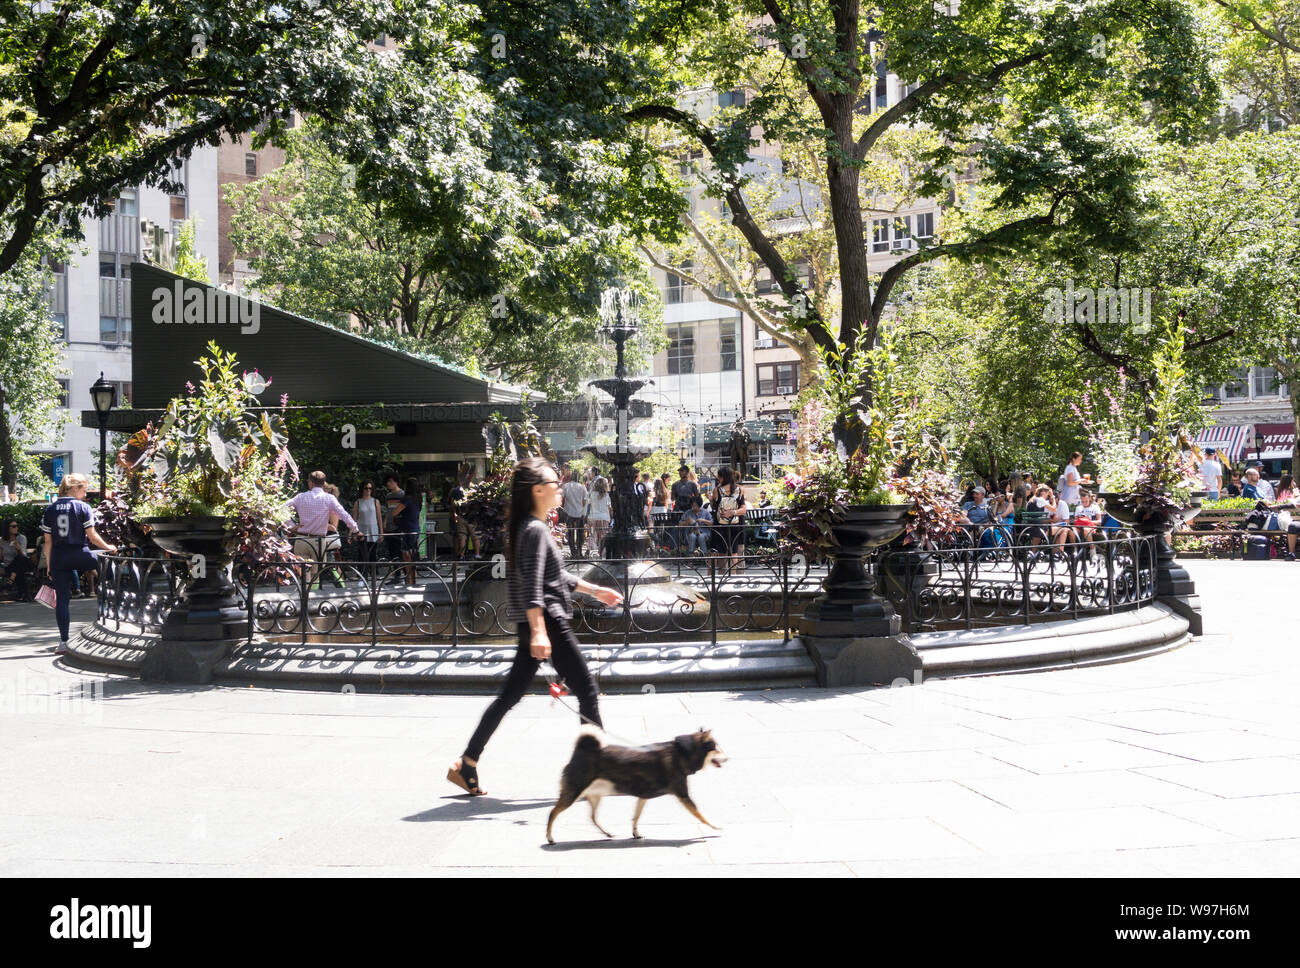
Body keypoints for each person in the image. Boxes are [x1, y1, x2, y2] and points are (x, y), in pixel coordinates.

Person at [447, 458, 624, 797]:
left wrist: (595, 590)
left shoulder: (529, 528)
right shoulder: (534, 529)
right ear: (538, 490)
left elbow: (556, 577)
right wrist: (540, 631)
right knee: (586, 689)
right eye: (555, 483)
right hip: (548, 622)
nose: (560, 488)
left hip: (538, 623)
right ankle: (592, 769)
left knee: (509, 696)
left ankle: (467, 763)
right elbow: (531, 586)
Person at [40, 474, 116, 654]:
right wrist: (108, 546)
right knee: (107, 562)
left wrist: (50, 565)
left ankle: (64, 642)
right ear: (75, 489)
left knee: (63, 601)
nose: (85, 494)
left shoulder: (50, 509)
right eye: (83, 490)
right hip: (79, 553)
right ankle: (112, 596)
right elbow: (92, 536)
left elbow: (48, 542)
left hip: (59, 557)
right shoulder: (83, 507)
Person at [286, 471, 363, 587]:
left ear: (311, 482)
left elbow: (281, 509)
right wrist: (356, 530)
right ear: (323, 483)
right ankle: (311, 598)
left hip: (301, 539)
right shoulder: (329, 498)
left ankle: (304, 596)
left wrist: (292, 526)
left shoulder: (300, 497)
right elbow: (344, 515)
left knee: (303, 572)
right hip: (318, 541)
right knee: (315, 574)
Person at [711, 465, 747, 573]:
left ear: (723, 477)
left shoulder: (717, 490)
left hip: (721, 525)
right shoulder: (739, 489)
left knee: (722, 552)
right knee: (735, 552)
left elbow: (714, 506)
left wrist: (712, 501)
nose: (718, 479)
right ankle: (734, 575)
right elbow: (744, 509)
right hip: (735, 523)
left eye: (719, 477)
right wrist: (733, 512)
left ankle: (723, 576)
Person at [2, 520, 35, 600]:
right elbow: (2, 558)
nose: (16, 528)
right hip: (10, 566)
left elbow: (23, 556)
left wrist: (19, 549)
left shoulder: (21, 538)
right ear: (7, 528)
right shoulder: (2, 541)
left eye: (16, 526)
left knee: (19, 558)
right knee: (19, 571)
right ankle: (25, 595)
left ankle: (11, 580)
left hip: (24, 563)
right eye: (13, 526)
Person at [352, 482, 383, 563]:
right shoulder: (357, 502)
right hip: (361, 532)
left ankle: (373, 574)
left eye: (370, 488)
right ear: (362, 489)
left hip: (373, 531)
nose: (368, 490)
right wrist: (351, 533)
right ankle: (361, 574)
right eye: (366, 488)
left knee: (373, 555)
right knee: (361, 555)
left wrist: (381, 533)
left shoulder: (376, 501)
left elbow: (379, 518)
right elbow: (354, 519)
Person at [560, 468, 588, 558]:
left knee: (570, 533)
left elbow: (561, 497)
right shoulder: (582, 487)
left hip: (569, 513)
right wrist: (584, 509)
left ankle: (573, 553)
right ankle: (579, 552)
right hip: (580, 513)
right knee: (580, 533)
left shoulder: (566, 486)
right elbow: (586, 500)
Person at [585, 476, 612, 556]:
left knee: (592, 534)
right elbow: (609, 507)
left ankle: (589, 549)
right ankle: (602, 552)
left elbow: (587, 504)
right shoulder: (606, 495)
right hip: (603, 518)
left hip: (592, 518)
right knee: (602, 536)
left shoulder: (591, 494)